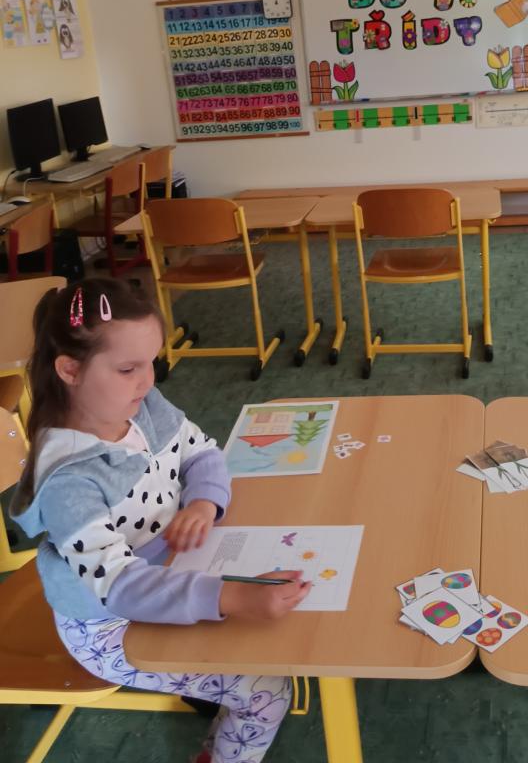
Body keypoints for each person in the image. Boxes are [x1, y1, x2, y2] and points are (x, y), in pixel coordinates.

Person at [11, 278, 311, 763]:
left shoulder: (142, 405)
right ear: (69, 369)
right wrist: (233, 597)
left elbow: (202, 453)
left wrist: (202, 504)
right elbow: (121, 587)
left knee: (277, 629)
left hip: (175, 567)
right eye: (128, 368)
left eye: (150, 361)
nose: (147, 380)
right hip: (109, 626)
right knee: (268, 689)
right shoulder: (69, 482)